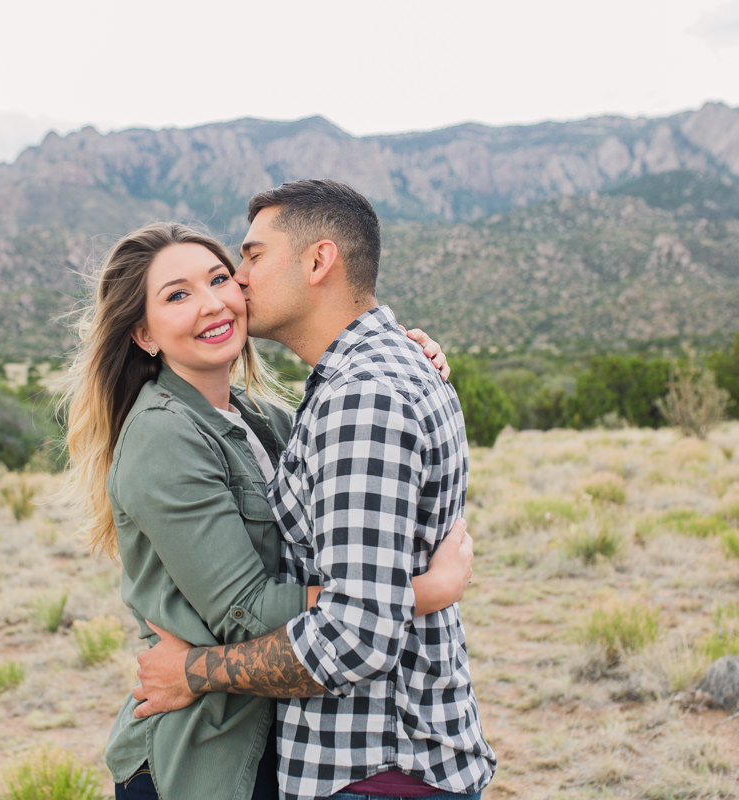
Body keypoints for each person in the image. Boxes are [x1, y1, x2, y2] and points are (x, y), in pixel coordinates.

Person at [60, 222, 474, 800]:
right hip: (206, 759)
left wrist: (396, 354)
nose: (212, 304)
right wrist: (423, 592)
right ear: (143, 334)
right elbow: (247, 611)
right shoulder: (162, 436)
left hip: (278, 739)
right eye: (177, 295)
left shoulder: (264, 418)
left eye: (220, 278)